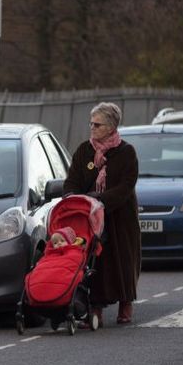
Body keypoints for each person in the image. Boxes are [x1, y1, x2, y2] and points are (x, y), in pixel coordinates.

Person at [63, 102, 140, 324]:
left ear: (111, 127)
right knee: (96, 261)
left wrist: (101, 201)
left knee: (122, 259)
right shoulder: (83, 151)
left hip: (120, 216)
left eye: (97, 124)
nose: (92, 128)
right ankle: (95, 306)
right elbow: (72, 182)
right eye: (91, 123)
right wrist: (74, 199)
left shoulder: (126, 152)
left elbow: (126, 186)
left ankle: (126, 302)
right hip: (89, 216)